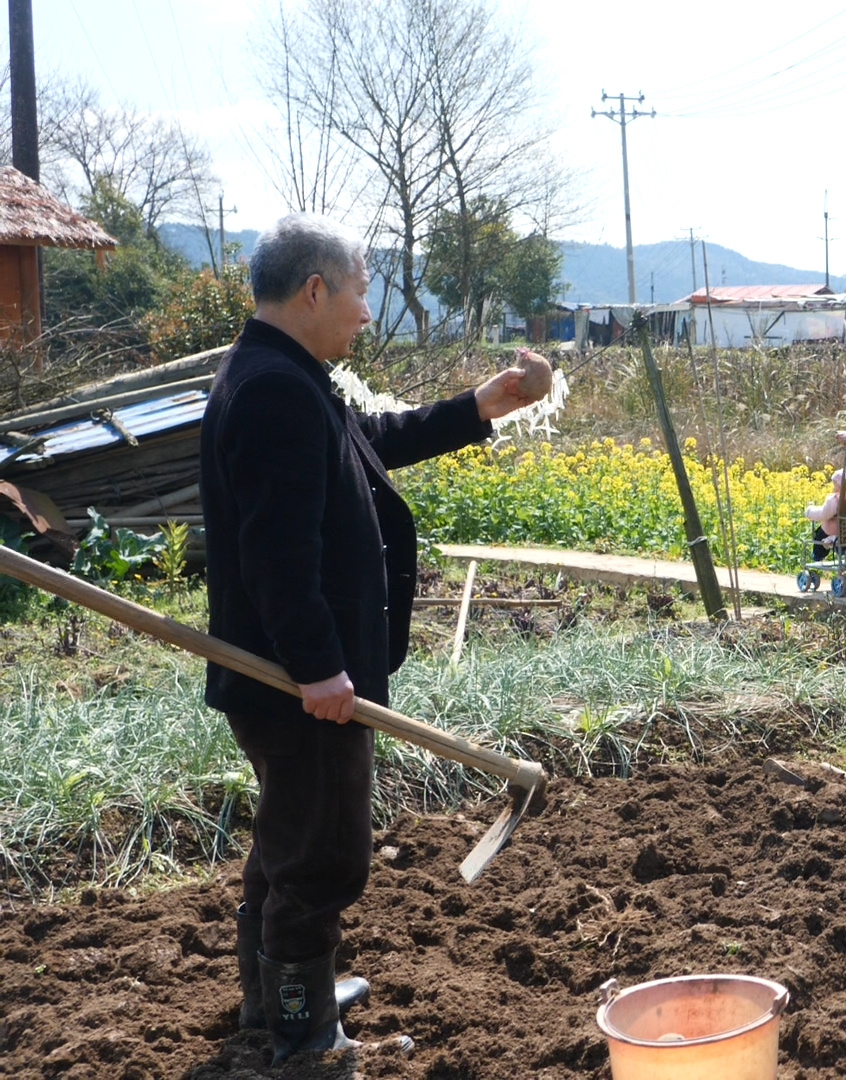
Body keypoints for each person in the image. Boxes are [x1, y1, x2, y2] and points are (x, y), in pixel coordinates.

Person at [201, 213, 550, 1063]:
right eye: (359, 290)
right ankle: (300, 1024)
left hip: (298, 677)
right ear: (314, 289)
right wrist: (319, 668)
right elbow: (277, 555)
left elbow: (370, 443)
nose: (366, 311)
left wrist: (482, 407)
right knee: (323, 854)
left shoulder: (284, 373)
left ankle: (279, 996)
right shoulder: (277, 389)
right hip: (300, 685)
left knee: (291, 838)